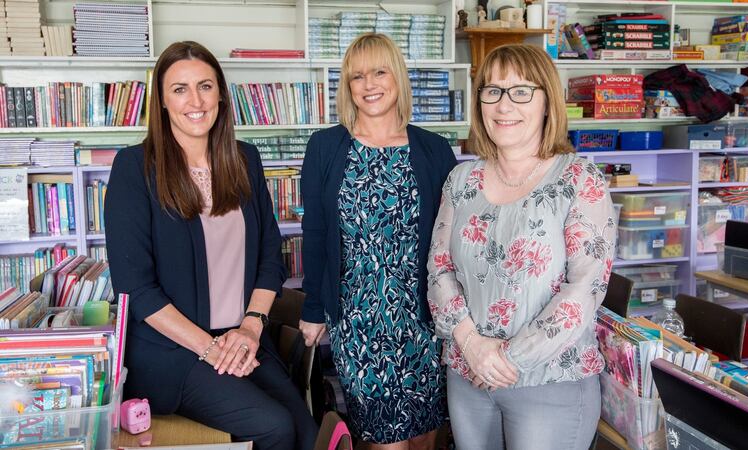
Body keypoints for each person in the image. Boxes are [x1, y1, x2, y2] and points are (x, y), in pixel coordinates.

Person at [105, 41, 317, 450]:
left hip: (243, 338)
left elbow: (269, 258)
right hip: (174, 352)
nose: (196, 101)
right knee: (273, 427)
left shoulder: (245, 159)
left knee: (306, 432)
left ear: (220, 93)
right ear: (162, 101)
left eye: (205, 86)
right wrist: (211, 348)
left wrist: (251, 327)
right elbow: (136, 288)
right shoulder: (134, 168)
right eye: (179, 89)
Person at [426, 43, 617, 450]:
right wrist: (472, 347)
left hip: (550, 380)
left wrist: (508, 359)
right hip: (467, 375)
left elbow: (586, 288)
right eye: (492, 90)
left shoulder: (579, 179)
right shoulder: (461, 181)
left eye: (521, 91)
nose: (504, 104)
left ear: (547, 101)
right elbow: (439, 269)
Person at [298, 33, 456, 449]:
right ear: (347, 86)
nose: (369, 84)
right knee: (385, 439)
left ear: (397, 77)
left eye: (379, 72)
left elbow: (451, 240)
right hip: (357, 319)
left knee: (425, 437)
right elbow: (315, 233)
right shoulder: (325, 147)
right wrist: (312, 308)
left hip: (423, 318)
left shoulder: (435, 150)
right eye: (357, 76)